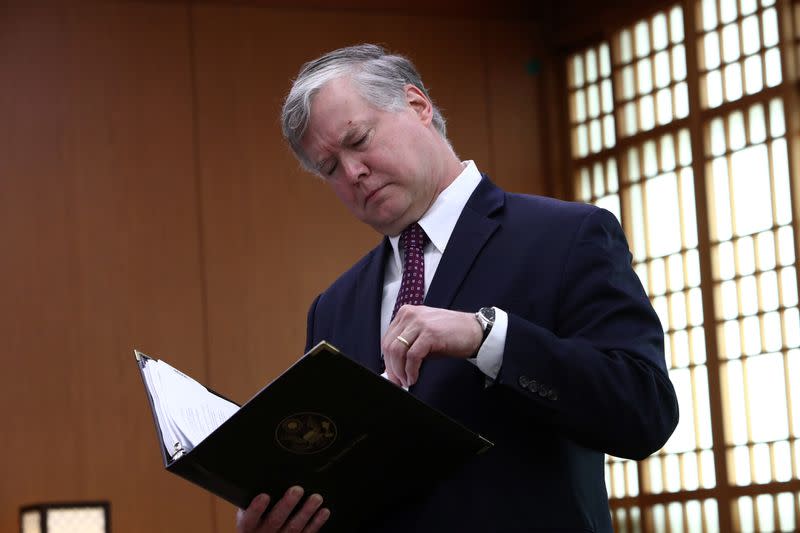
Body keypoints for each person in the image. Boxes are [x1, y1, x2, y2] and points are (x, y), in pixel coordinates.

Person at [236, 44, 679, 533]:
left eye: (358, 140)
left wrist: (488, 338)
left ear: (418, 106)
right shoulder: (333, 307)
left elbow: (646, 413)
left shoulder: (566, 237)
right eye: (330, 168)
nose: (353, 173)